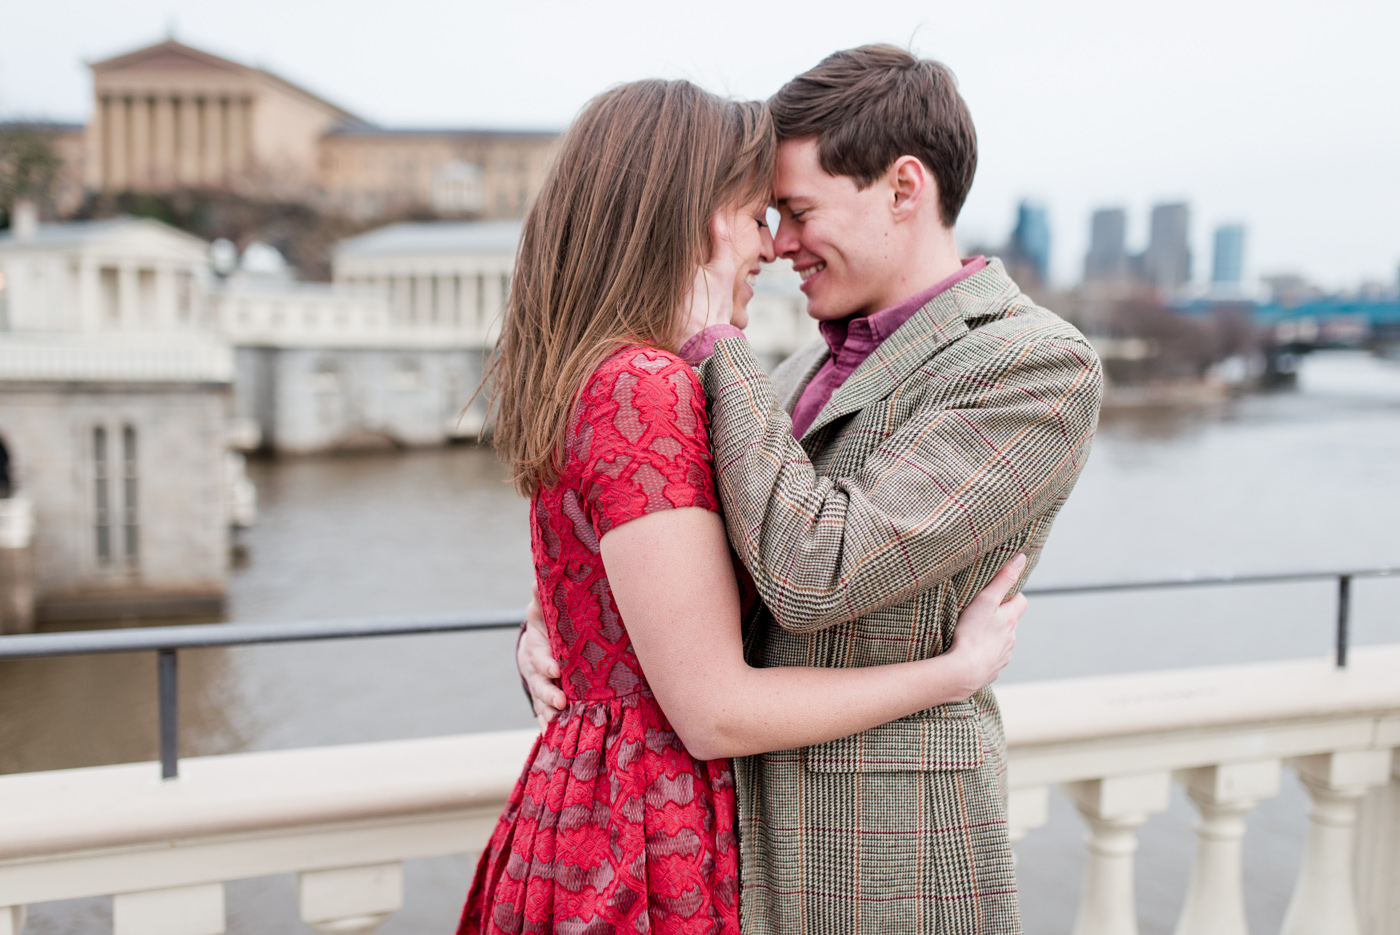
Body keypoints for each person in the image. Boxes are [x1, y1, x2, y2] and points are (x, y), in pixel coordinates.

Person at [520, 47, 1106, 933]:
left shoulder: (1035, 366)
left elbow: (817, 571)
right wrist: (560, 622)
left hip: (886, 863)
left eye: (796, 211)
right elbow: (672, 553)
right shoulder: (789, 370)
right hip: (726, 845)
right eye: (767, 214)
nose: (778, 242)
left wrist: (718, 339)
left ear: (904, 188)